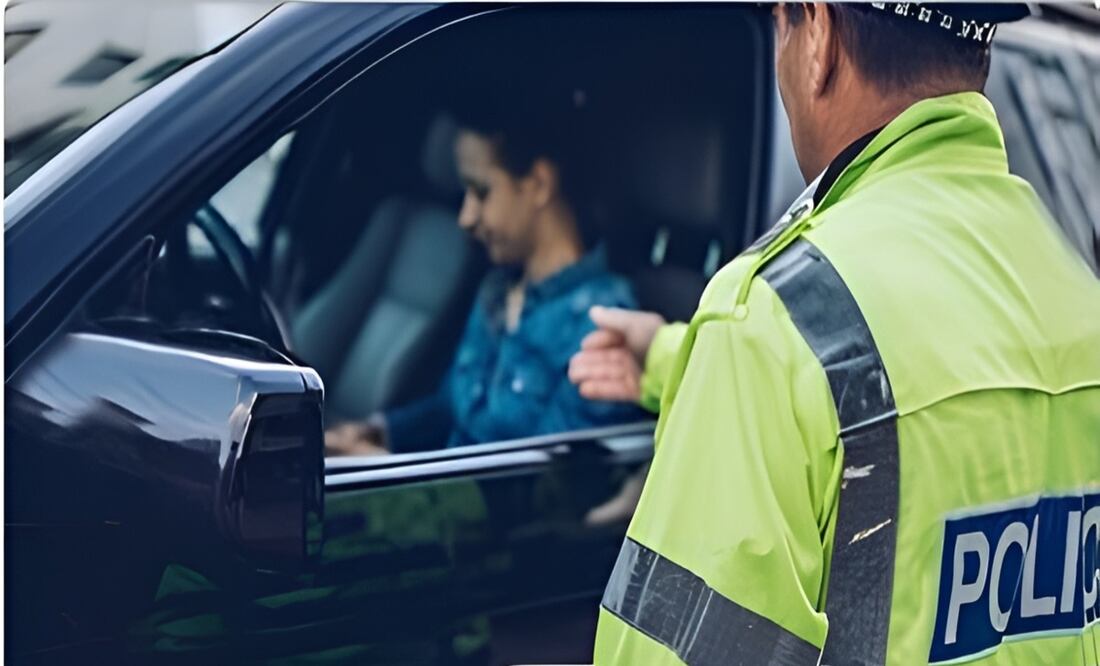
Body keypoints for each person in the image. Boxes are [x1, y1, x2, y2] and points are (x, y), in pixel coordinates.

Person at [570, 3, 1100, 664]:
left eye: (779, 22)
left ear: (817, 32)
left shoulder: (773, 319)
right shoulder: (1078, 299)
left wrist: (728, 343)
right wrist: (670, 356)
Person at [326, 86, 643, 456]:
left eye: (481, 192)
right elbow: (451, 407)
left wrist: (382, 468)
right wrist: (378, 433)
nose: (466, 217)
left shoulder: (601, 324)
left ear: (539, 184)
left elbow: (548, 482)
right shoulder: (495, 291)